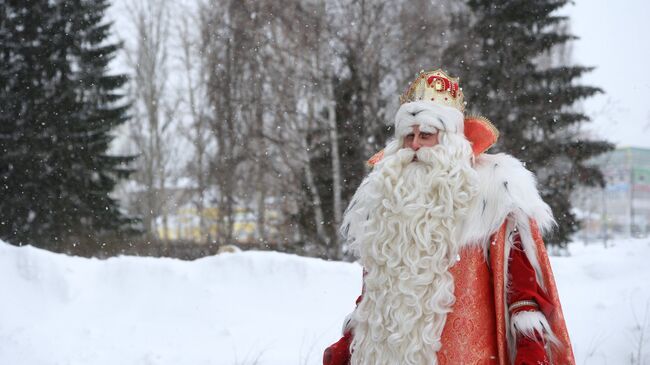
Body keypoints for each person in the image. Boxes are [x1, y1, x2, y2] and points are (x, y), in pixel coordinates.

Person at [323, 69, 575, 365]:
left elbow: (522, 292)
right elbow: (377, 291)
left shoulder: (494, 195)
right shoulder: (387, 198)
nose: (415, 144)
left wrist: (530, 349)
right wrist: (350, 342)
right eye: (408, 136)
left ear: (450, 140)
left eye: (426, 135)